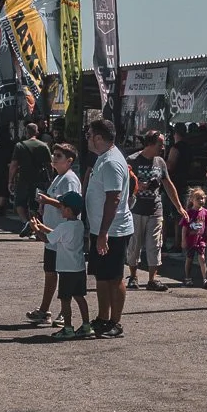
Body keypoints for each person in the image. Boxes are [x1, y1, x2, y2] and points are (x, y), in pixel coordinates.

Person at [85, 119, 135, 337]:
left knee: (114, 278)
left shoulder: (112, 161)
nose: (87, 139)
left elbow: (114, 199)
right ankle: (103, 318)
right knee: (101, 276)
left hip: (113, 231)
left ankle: (116, 322)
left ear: (98, 138)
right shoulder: (102, 159)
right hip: (101, 229)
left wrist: (104, 232)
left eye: (89, 135)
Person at [28, 143, 85, 324]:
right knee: (51, 272)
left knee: (62, 275)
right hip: (53, 233)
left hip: (62, 235)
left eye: (59, 156)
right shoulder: (59, 177)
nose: (54, 158)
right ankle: (45, 310)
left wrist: (48, 201)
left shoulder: (69, 179)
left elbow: (70, 205)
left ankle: (62, 312)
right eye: (54, 154)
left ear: (69, 161)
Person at [127, 130, 182, 291]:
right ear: (150, 144)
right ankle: (133, 276)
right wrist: (138, 186)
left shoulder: (160, 162)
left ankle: (152, 279)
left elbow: (168, 184)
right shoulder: (132, 160)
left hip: (155, 208)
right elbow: (125, 185)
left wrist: (179, 207)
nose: (162, 147)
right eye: (160, 144)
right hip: (136, 209)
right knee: (134, 244)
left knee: (155, 244)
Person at [46, 192, 93, 339]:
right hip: (78, 267)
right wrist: (42, 227)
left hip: (66, 269)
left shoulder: (63, 226)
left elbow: (48, 239)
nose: (60, 209)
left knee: (65, 300)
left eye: (62, 207)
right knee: (80, 297)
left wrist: (35, 228)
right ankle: (86, 325)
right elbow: (57, 234)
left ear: (69, 210)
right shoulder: (79, 225)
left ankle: (68, 327)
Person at [11, 123, 52, 237]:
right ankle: (34, 227)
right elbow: (49, 164)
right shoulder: (43, 146)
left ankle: (26, 222)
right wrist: (51, 179)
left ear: (26, 132)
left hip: (23, 178)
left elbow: (14, 165)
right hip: (39, 179)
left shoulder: (19, 146)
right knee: (35, 205)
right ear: (37, 132)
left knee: (20, 202)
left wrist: (10, 180)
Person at [182, 187, 207, 286]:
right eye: (198, 199)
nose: (201, 200)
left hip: (201, 240)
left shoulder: (206, 212)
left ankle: (205, 279)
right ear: (192, 200)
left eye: (202, 198)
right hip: (190, 240)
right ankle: (187, 277)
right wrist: (183, 240)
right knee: (189, 259)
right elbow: (184, 228)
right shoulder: (188, 213)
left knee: (202, 258)